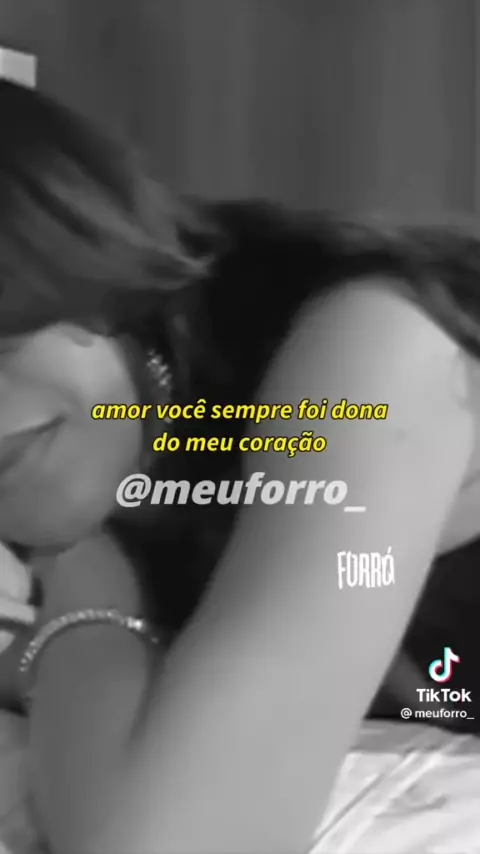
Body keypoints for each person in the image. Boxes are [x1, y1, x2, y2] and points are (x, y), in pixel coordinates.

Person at [0, 78, 479, 854]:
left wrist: (81, 583)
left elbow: (182, 844)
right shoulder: (112, 446)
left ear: (77, 269)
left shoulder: (376, 350)